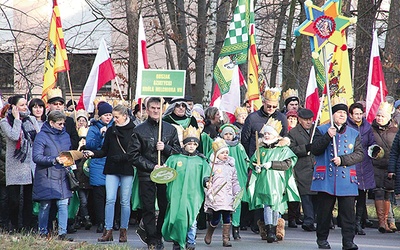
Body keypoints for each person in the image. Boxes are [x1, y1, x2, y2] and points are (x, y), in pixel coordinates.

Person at [310, 99, 364, 250]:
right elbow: (314, 149)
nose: (342, 115)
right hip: (326, 179)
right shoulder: (321, 130)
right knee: (324, 214)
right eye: (339, 113)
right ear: (333, 115)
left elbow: (360, 154)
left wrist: (343, 160)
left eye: (344, 113)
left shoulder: (354, 133)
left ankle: (348, 242)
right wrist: (327, 136)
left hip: (346, 179)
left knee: (348, 215)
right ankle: (322, 239)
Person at [128, 97, 181, 250]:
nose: (156, 111)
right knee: (149, 207)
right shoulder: (139, 130)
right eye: (153, 108)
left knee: (165, 206)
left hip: (166, 175)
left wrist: (165, 148)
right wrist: (152, 167)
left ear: (162, 109)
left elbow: (178, 152)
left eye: (158, 108)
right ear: (147, 109)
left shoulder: (170, 129)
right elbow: (133, 155)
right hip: (147, 175)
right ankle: (151, 238)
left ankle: (159, 234)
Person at [84, 104, 136, 243]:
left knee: (125, 201)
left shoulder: (134, 130)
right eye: (113, 116)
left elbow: (134, 152)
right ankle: (108, 230)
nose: (114, 119)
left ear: (125, 116)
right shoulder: (111, 130)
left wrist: (120, 158)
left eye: (116, 117)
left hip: (126, 168)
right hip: (112, 168)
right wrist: (93, 154)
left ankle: (123, 230)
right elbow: (104, 150)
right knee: (110, 199)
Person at [241, 87, 288, 235]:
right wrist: (251, 160)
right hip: (257, 160)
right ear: (263, 102)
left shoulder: (281, 118)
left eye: (274, 106)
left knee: (275, 194)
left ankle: (275, 226)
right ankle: (258, 223)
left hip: (275, 163)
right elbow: (245, 140)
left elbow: (285, 138)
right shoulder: (252, 118)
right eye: (269, 106)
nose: (271, 109)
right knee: (258, 192)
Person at [247, 118, 299, 243]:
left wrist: (272, 164)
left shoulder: (283, 149)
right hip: (264, 182)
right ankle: (270, 231)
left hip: (277, 183)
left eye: (268, 133)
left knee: (276, 206)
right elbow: (253, 162)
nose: (266, 136)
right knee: (267, 206)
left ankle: (275, 229)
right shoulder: (261, 149)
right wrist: (256, 167)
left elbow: (288, 164)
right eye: (265, 133)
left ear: (275, 135)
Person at [162, 126, 210, 250]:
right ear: (184, 144)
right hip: (176, 194)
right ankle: (177, 240)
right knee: (177, 218)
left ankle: (190, 241)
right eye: (189, 143)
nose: (192, 146)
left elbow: (206, 174)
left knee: (192, 219)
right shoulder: (174, 158)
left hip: (193, 195)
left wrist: (207, 181)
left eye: (195, 144)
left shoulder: (201, 161)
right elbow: (166, 172)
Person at [0, 95, 40, 232]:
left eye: (25, 104)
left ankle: (27, 227)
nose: (25, 107)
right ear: (14, 107)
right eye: (21, 105)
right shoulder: (5, 122)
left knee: (28, 199)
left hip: (29, 164)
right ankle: (14, 225)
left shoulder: (31, 119)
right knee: (14, 200)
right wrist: (17, 119)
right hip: (15, 164)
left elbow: (38, 137)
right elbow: (14, 136)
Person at [32, 110, 73, 240]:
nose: (62, 126)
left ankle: (62, 233)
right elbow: (36, 157)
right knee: (45, 205)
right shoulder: (42, 136)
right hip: (46, 175)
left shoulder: (65, 135)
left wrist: (71, 160)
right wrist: (54, 160)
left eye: (63, 124)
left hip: (62, 174)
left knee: (63, 204)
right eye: (59, 124)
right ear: (51, 123)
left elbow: (68, 153)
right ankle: (43, 232)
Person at [204, 138, 240, 247]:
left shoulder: (231, 166)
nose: (225, 155)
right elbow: (208, 181)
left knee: (227, 217)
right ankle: (210, 232)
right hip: (217, 196)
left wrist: (237, 190)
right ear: (216, 154)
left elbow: (234, 180)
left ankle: (226, 239)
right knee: (216, 218)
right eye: (222, 153)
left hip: (228, 196)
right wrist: (209, 192)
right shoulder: (212, 166)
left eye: (226, 153)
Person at [346, 103, 376, 235]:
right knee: (350, 197)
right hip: (351, 163)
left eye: (360, 113)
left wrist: (375, 149)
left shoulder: (367, 126)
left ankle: (358, 223)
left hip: (365, 164)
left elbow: (371, 142)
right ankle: (350, 223)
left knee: (362, 197)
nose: (358, 116)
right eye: (356, 114)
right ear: (350, 115)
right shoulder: (346, 126)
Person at [85, 101, 114, 233]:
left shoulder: (115, 126)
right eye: (105, 115)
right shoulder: (94, 128)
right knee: (99, 195)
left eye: (110, 115)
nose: (108, 117)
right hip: (98, 164)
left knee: (113, 196)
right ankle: (100, 221)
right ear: (100, 116)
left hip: (112, 162)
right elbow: (90, 145)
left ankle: (114, 221)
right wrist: (101, 135)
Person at [370, 101, 398, 233]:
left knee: (388, 193)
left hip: (389, 166)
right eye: (378, 116)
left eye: (383, 116)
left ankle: (387, 221)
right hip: (375, 166)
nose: (380, 118)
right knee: (378, 192)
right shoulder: (370, 130)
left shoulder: (395, 130)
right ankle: (381, 222)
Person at [288, 108, 317, 232]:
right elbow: (291, 150)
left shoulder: (317, 130)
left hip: (316, 166)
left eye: (310, 119)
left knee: (317, 196)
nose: (309, 122)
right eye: (306, 120)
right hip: (302, 168)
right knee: (306, 196)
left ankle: (317, 219)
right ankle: (308, 220)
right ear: (299, 120)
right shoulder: (293, 133)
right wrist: (305, 148)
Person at [218, 124, 249, 240]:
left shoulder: (239, 147)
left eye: (230, 134)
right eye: (226, 134)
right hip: (222, 178)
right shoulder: (218, 145)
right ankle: (224, 227)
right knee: (222, 202)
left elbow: (245, 160)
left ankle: (236, 227)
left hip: (237, 177)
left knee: (237, 203)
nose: (228, 136)